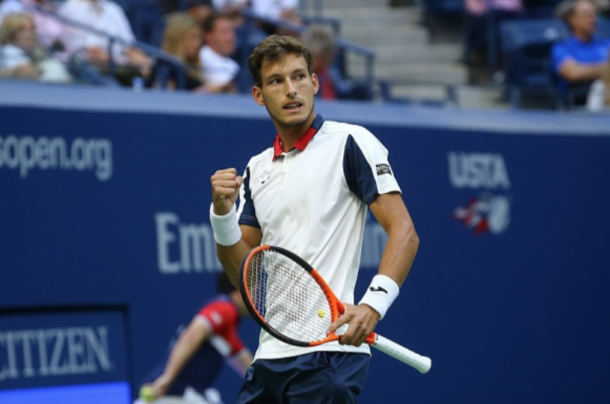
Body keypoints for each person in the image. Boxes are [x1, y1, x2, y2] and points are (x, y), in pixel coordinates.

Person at [209, 35, 419, 403]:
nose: (291, 90)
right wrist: (222, 215)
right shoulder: (257, 167)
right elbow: (245, 273)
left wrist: (373, 305)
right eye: (277, 81)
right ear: (259, 95)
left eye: (299, 77)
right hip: (270, 357)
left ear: (314, 82)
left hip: (332, 355)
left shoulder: (350, 142)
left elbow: (404, 232)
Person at [136, 271, 253, 404]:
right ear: (239, 290)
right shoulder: (225, 308)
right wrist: (167, 377)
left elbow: (252, 370)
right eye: (253, 290)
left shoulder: (227, 332)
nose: (255, 298)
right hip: (169, 397)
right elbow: (193, 333)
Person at [58, 0, 150, 82]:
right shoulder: (71, 7)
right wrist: (124, 64)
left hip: (115, 67)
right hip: (81, 69)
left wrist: (143, 62)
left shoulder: (114, 9)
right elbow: (93, 52)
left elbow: (129, 45)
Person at [552, 0, 610, 103]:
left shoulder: (605, 44)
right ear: (572, 19)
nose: (592, 20)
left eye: (594, 15)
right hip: (578, 106)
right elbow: (572, 73)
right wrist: (606, 69)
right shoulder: (562, 48)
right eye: (587, 15)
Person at [0, 12, 71, 82]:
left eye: (32, 28)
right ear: (10, 34)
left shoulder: (38, 56)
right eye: (21, 29)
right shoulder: (6, 56)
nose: (30, 33)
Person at [147, 12, 206, 91]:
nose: (197, 43)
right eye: (192, 37)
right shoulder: (165, 69)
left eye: (199, 37)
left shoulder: (195, 71)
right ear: (176, 39)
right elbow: (166, 99)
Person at [199, 12, 239, 92]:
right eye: (224, 31)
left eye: (231, 31)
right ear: (208, 36)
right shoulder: (202, 55)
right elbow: (225, 86)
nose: (231, 36)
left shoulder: (233, 64)